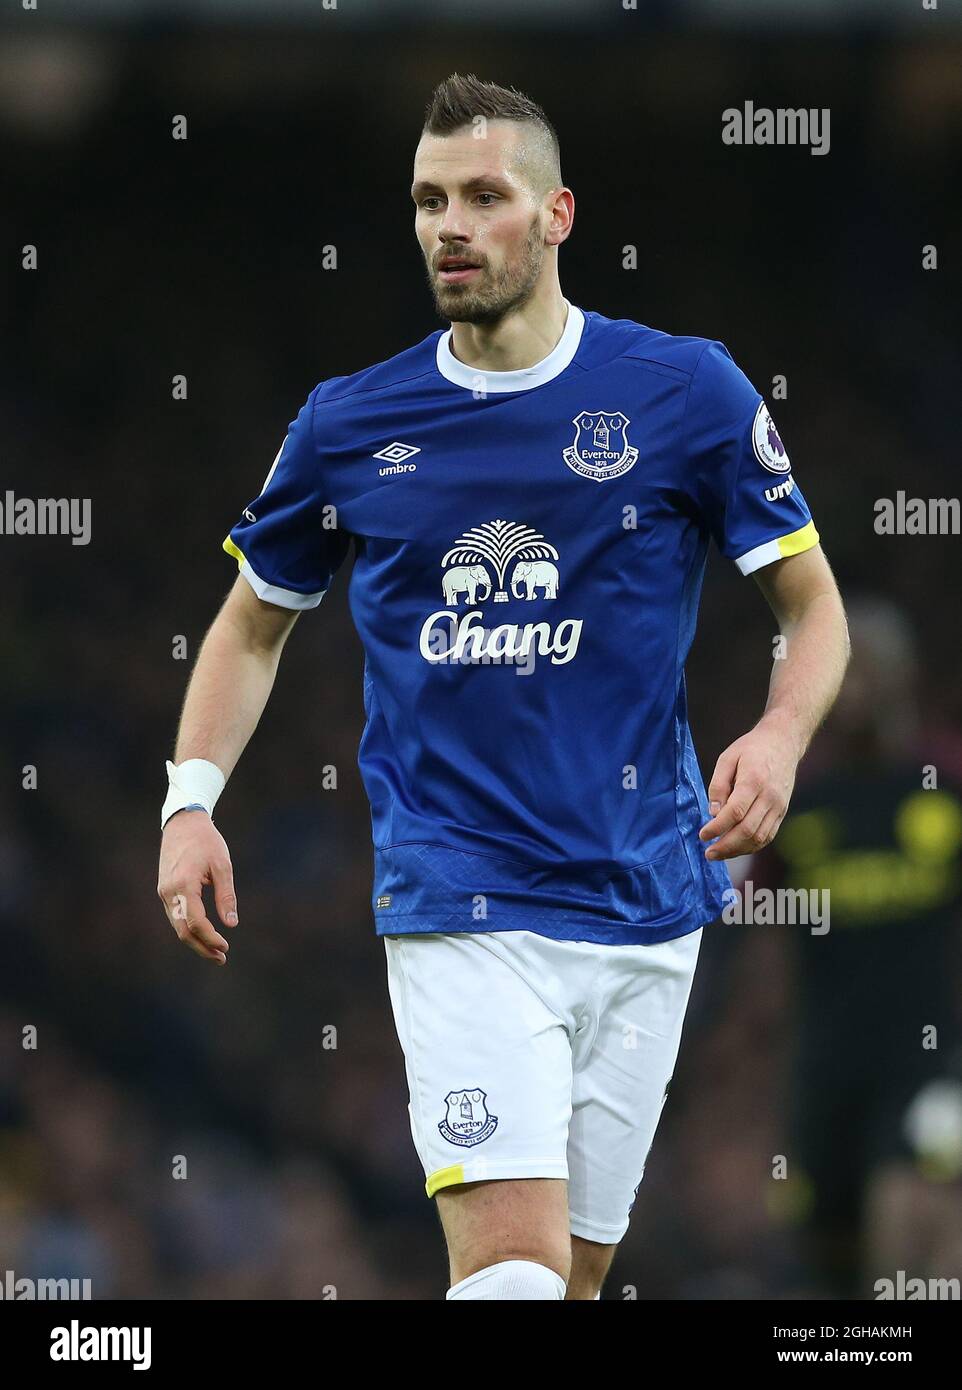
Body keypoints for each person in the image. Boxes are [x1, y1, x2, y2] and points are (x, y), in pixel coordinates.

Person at [157, 72, 849, 1301]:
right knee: (511, 1281)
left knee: (568, 1286)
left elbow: (811, 607)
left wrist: (782, 735)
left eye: (483, 196)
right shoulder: (349, 423)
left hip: (649, 898)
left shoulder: (682, 393)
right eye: (428, 201)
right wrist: (190, 799)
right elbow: (248, 628)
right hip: (460, 896)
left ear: (556, 215)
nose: (449, 227)